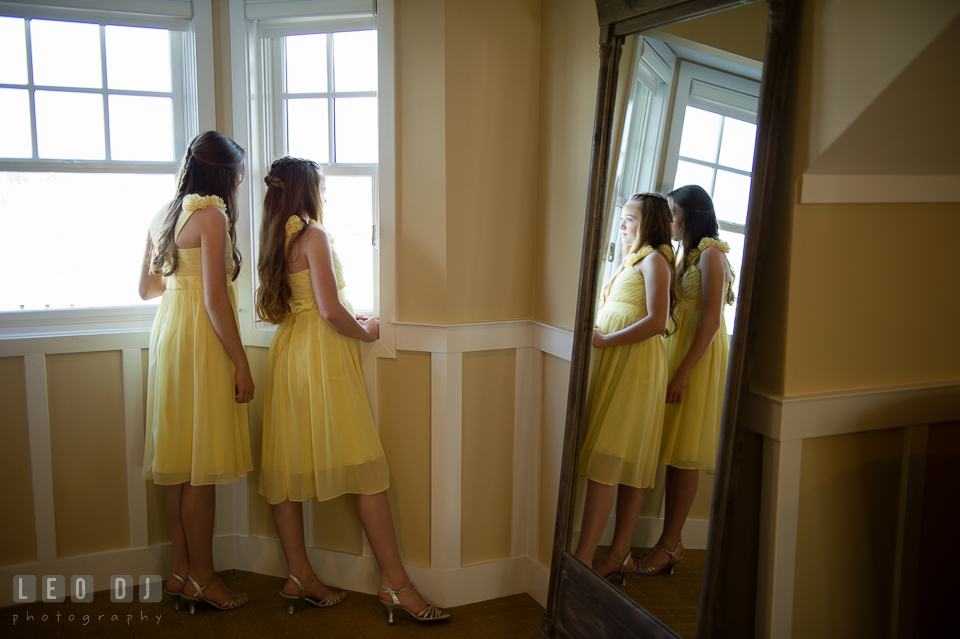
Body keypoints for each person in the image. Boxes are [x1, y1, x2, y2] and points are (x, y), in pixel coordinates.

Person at [255, 157, 449, 624]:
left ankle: (298, 573)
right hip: (322, 356)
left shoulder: (275, 238)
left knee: (287, 467)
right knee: (366, 468)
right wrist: (368, 330)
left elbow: (305, 301)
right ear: (308, 191)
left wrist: (349, 316)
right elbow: (329, 309)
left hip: (288, 355)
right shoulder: (313, 235)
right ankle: (395, 583)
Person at [139, 131, 254, 612]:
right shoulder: (211, 215)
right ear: (225, 175)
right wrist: (241, 363)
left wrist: (179, 285)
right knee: (200, 465)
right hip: (201, 341)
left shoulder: (164, 213)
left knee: (180, 463)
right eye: (239, 174)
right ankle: (205, 579)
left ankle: (181, 572)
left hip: (169, 335)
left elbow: (147, 288)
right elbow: (214, 299)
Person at [573, 193, 678, 584]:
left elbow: (657, 321)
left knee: (611, 458)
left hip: (635, 367)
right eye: (622, 217)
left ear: (649, 224)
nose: (622, 224)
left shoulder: (655, 260)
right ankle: (619, 555)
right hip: (619, 365)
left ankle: (586, 557)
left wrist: (604, 341)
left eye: (629, 219)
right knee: (623, 460)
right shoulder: (631, 260)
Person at [635, 184, 734, 576]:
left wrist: (682, 372)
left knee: (685, 451)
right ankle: (668, 541)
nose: (669, 219)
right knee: (673, 450)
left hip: (697, 359)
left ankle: (670, 542)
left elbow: (711, 321)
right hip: (679, 350)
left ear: (689, 215)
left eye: (672, 211)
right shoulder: (685, 254)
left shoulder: (712, 254)